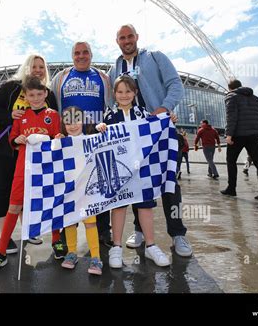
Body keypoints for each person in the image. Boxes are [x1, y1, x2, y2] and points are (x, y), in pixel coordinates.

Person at [108, 24, 191, 257]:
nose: (127, 40)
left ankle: (177, 234)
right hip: (133, 136)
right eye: (122, 37)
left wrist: (164, 108)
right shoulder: (115, 68)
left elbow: (175, 84)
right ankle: (140, 230)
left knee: (169, 183)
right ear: (117, 41)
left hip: (160, 131)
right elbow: (113, 98)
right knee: (136, 180)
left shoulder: (155, 58)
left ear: (137, 37)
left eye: (130, 36)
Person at [0, 77, 63, 275]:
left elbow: (58, 139)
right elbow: (12, 138)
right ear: (25, 97)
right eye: (31, 95)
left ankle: (56, 240)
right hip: (23, 168)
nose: (35, 98)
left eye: (39, 94)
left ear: (45, 94)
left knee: (52, 201)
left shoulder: (53, 116)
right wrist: (16, 138)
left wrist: (57, 139)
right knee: (14, 205)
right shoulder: (21, 118)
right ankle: (0, 251)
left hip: (46, 168)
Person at [97, 75, 171, 268]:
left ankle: (151, 245)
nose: (124, 95)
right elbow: (101, 139)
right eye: (120, 91)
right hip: (119, 170)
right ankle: (117, 247)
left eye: (128, 91)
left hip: (142, 169)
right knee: (119, 206)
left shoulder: (143, 114)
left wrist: (168, 119)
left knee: (145, 207)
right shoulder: (109, 115)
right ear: (114, 94)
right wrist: (101, 128)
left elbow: (157, 129)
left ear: (135, 93)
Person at [51, 41, 113, 247]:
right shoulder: (61, 77)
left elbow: (111, 105)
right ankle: (65, 231)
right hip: (70, 139)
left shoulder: (103, 78)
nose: (81, 56)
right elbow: (52, 105)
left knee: (100, 182)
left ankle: (103, 230)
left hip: (96, 137)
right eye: (77, 53)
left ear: (91, 54)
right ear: (72, 56)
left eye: (85, 52)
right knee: (69, 184)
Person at [55, 106, 103, 275]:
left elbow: (105, 140)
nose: (73, 125)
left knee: (90, 223)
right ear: (63, 124)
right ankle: (72, 253)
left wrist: (102, 128)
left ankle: (96, 257)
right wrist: (56, 144)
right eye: (68, 122)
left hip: (87, 192)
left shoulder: (90, 139)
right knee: (69, 222)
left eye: (76, 120)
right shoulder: (61, 141)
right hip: (68, 192)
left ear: (82, 121)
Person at [221, 79, 258, 202]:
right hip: (254, 134)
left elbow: (231, 116)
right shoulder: (255, 98)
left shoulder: (231, 96)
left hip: (238, 135)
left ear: (229, 88)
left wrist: (229, 135)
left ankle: (231, 189)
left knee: (231, 161)